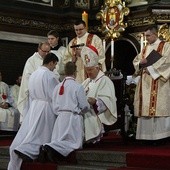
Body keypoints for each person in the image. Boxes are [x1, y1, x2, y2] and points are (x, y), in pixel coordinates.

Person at [8, 53, 60, 170]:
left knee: (33, 131)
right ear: (51, 62)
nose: (55, 67)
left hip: (35, 105)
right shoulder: (50, 76)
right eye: (55, 64)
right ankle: (28, 150)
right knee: (42, 134)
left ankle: (24, 148)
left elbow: (30, 93)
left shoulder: (34, 74)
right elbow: (54, 95)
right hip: (46, 107)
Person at [38, 61, 90, 163]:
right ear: (75, 72)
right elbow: (84, 106)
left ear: (65, 72)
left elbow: (54, 104)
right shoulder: (78, 86)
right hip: (72, 118)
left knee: (60, 140)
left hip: (60, 118)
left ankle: (50, 150)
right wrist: (81, 110)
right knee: (74, 143)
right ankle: (48, 147)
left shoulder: (57, 87)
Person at [133, 25, 170, 142]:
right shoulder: (144, 48)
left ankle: (161, 137)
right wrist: (140, 63)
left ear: (155, 34)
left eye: (148, 35)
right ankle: (145, 137)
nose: (146, 38)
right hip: (145, 82)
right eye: (145, 35)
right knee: (145, 108)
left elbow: (167, 62)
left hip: (159, 82)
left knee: (159, 107)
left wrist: (152, 70)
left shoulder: (166, 46)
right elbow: (136, 61)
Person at [81, 45, 117, 142]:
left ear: (97, 68)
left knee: (87, 116)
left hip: (96, 112)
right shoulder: (86, 82)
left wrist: (95, 102)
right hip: (85, 109)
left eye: (91, 70)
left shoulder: (105, 80)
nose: (89, 73)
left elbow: (108, 100)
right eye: (87, 70)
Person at [17, 41, 60, 123]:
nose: (47, 54)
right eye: (44, 51)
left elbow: (56, 76)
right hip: (35, 96)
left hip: (47, 98)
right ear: (39, 49)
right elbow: (28, 78)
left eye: (48, 51)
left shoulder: (50, 60)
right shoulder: (31, 60)